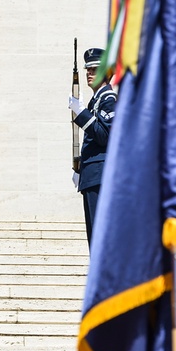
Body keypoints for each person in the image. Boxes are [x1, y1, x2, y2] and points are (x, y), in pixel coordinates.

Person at [69, 47, 117, 246]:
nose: (89, 73)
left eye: (95, 69)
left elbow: (106, 136)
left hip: (101, 176)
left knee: (100, 234)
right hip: (92, 175)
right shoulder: (96, 100)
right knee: (94, 235)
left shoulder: (108, 100)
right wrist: (82, 168)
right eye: (88, 69)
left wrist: (81, 114)